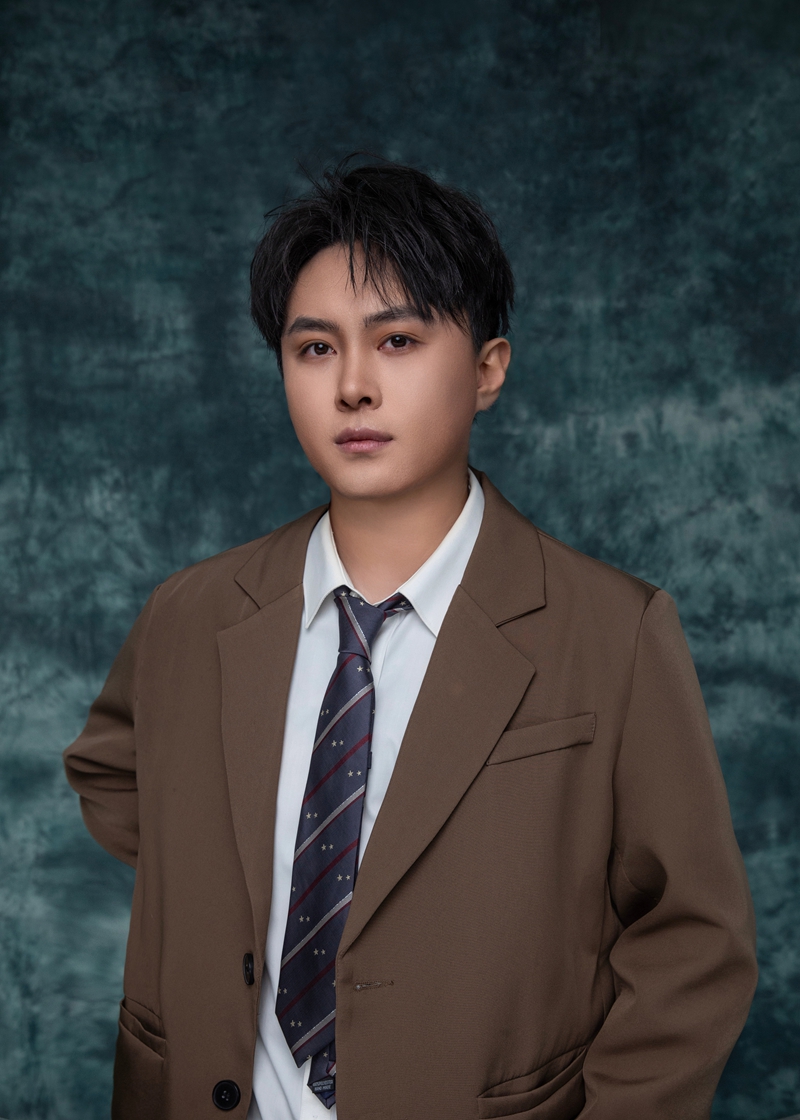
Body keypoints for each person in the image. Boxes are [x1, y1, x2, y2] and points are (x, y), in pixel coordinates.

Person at [64, 159, 757, 1120]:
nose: (354, 386)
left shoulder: (617, 633)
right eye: (315, 348)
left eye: (398, 340)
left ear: (487, 369)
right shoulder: (191, 612)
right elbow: (113, 774)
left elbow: (696, 939)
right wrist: (224, 895)